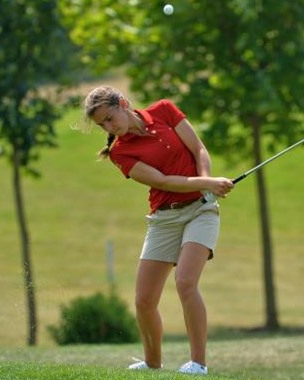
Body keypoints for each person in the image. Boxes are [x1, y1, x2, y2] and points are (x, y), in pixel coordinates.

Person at [83, 86, 233, 375]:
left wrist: (207, 183)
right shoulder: (121, 153)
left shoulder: (164, 110)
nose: (109, 127)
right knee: (144, 300)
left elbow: (198, 148)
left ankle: (198, 364)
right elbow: (163, 181)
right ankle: (152, 364)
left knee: (186, 282)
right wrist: (207, 184)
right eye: (103, 124)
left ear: (124, 103)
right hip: (164, 219)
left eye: (110, 118)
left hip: (201, 212)